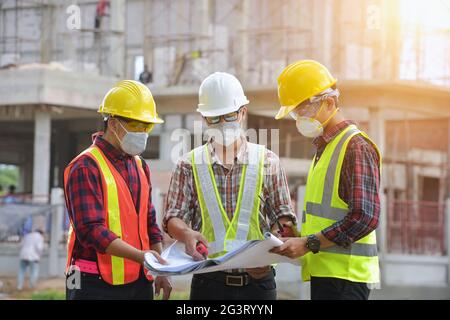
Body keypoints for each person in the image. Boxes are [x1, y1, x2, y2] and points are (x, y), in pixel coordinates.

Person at [164, 72, 297, 300]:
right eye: (214, 118)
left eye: (229, 116)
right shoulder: (189, 164)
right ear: (204, 119)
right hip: (208, 283)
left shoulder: (267, 161)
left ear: (243, 112)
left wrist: (273, 247)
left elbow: (284, 218)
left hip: (258, 285)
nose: (222, 124)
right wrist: (186, 234)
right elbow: (172, 217)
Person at [271, 60, 381, 300]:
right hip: (327, 276)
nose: (299, 117)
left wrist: (309, 243)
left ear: (329, 102)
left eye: (303, 109)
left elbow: (365, 217)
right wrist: (297, 235)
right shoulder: (325, 149)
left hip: (346, 281)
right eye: (295, 112)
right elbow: (329, 216)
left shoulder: (355, 146)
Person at [64, 80, 172, 300]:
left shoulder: (140, 166)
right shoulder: (85, 166)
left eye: (147, 126)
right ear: (113, 123)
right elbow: (91, 230)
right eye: (136, 125)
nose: (143, 132)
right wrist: (143, 257)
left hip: (139, 281)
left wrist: (160, 267)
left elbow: (149, 221)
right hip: (92, 283)